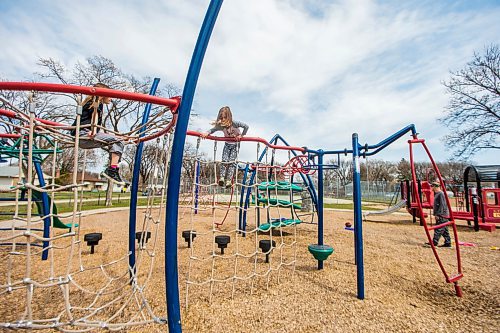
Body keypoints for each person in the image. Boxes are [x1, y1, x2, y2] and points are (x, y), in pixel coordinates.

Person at [71, 83, 125, 185]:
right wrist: (93, 131)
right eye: (110, 95)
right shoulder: (95, 103)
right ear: (102, 94)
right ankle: (111, 170)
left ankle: (112, 169)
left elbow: (92, 119)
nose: (111, 98)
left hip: (81, 135)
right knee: (118, 141)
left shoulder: (92, 103)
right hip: (84, 135)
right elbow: (94, 119)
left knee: (117, 141)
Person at [201, 106, 249, 188]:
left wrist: (242, 135)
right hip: (227, 144)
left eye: (225, 117)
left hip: (235, 145)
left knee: (231, 162)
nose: (223, 119)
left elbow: (246, 126)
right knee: (224, 160)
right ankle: (222, 178)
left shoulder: (235, 123)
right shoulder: (221, 125)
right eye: (221, 118)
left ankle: (229, 181)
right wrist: (207, 133)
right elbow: (213, 129)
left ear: (229, 117)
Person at [427, 181, 452, 247]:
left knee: (438, 229)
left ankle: (434, 242)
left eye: (431, 186)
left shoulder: (441, 194)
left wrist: (438, 214)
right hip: (442, 215)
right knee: (444, 230)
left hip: (442, 215)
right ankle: (448, 243)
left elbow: (442, 205)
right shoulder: (437, 194)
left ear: (435, 187)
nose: (431, 188)